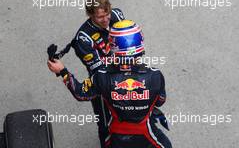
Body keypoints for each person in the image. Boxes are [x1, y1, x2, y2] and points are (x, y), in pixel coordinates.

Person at [48, 20, 172, 148]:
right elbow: (160, 101)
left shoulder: (101, 76)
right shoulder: (156, 76)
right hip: (147, 136)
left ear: (113, 46)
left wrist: (62, 71)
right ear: (140, 44)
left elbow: (80, 94)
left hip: (115, 138)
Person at [47, 0, 125, 148]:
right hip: (103, 82)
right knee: (105, 125)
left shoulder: (118, 15)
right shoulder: (83, 38)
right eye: (100, 17)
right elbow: (99, 72)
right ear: (90, 15)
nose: (105, 20)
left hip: (125, 72)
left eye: (107, 14)